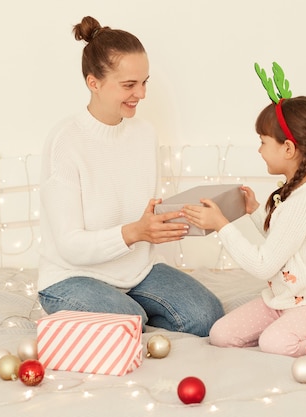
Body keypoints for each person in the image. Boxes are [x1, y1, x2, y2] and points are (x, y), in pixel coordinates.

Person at [38, 16, 224, 337]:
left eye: (144, 82)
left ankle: (117, 313)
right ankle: (98, 311)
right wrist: (135, 233)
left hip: (138, 272)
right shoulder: (65, 142)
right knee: (129, 321)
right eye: (129, 85)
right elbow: (70, 246)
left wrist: (177, 219)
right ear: (93, 82)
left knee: (208, 315)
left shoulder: (144, 134)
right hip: (72, 276)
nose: (141, 94)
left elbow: (142, 213)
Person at [183, 95, 306, 356]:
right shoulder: (295, 191)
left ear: (288, 148)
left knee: (274, 343)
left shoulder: (305, 200)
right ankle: (287, 327)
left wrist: (221, 226)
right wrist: (255, 212)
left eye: (263, 142)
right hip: (283, 301)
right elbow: (284, 239)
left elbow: (264, 265)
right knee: (220, 334)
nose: (259, 150)